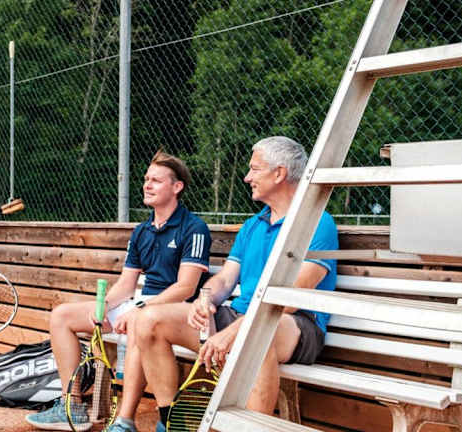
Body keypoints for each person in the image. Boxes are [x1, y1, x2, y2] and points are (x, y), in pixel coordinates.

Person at [136, 136, 339, 431]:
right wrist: (205, 299)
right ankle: (171, 424)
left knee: (256, 336)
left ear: (279, 173)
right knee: (148, 320)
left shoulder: (317, 223)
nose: (247, 177)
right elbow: (225, 278)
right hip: (240, 316)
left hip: (294, 325)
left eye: (254, 169)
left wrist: (233, 332)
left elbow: (290, 300)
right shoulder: (252, 225)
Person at [26, 151, 212, 432]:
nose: (147, 185)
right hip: (140, 304)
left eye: (156, 180)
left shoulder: (194, 228)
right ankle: (71, 405)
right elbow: (126, 284)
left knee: (139, 322)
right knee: (62, 315)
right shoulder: (141, 231)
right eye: (146, 179)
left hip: (173, 310)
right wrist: (103, 307)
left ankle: (124, 420)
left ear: (177, 187)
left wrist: (140, 309)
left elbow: (185, 288)